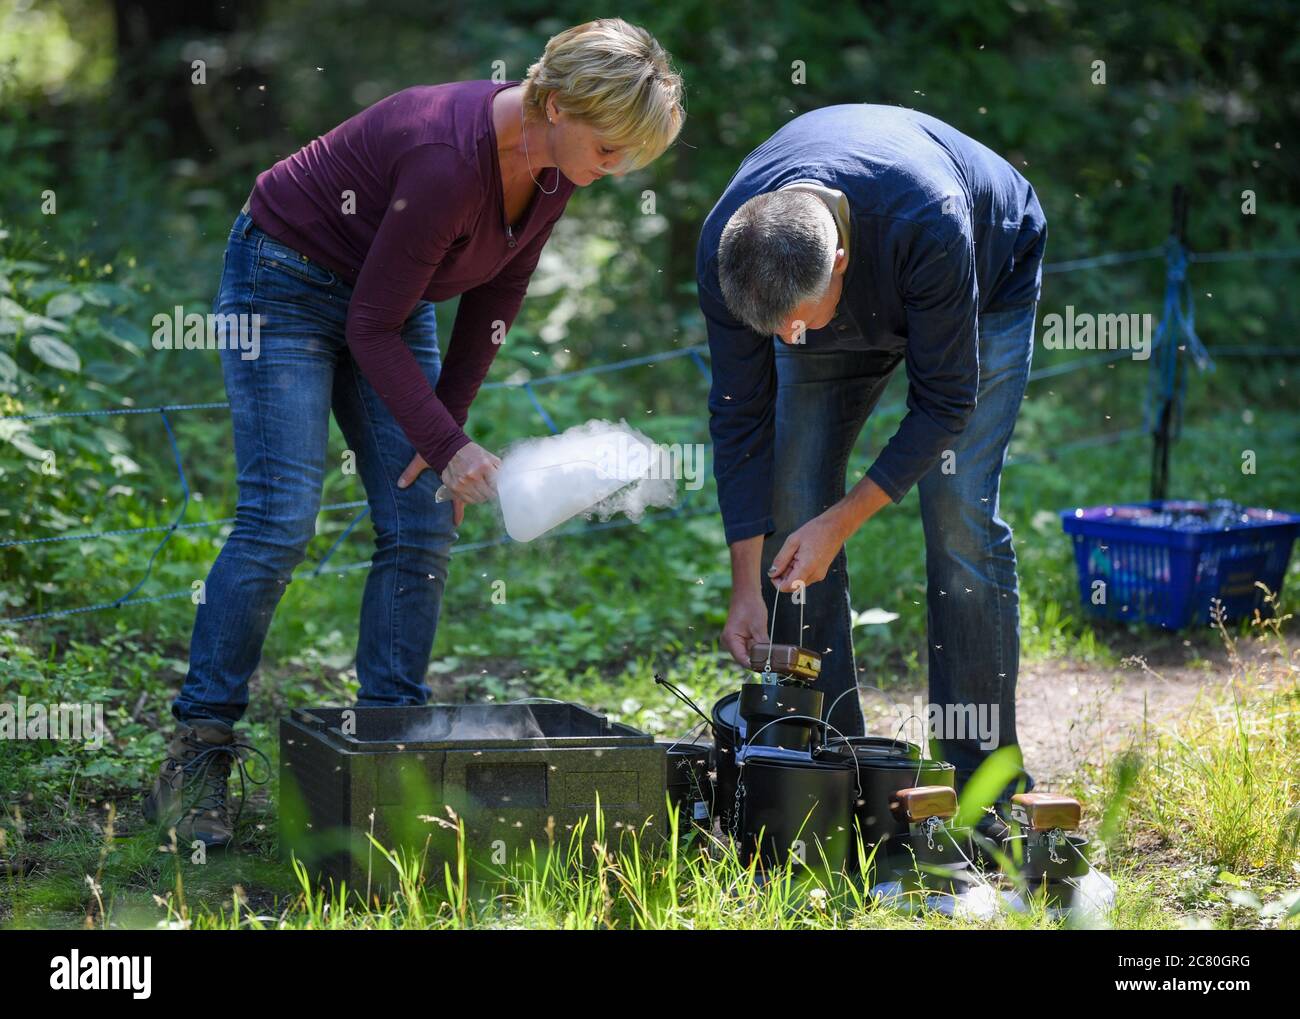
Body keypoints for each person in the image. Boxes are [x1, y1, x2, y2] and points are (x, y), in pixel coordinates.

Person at [144, 19, 684, 848]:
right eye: (609, 148)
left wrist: (448, 436)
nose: (613, 170)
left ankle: (392, 746)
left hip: (392, 304)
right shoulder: (444, 160)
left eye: (627, 156)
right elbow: (369, 328)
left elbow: (495, 301)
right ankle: (198, 749)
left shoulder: (552, 170)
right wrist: (446, 446)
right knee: (280, 520)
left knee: (422, 513)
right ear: (553, 102)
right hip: (285, 281)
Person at [696, 103, 1046, 841]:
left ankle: (982, 781)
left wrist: (842, 520)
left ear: (839, 266)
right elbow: (739, 416)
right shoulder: (733, 247)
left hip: (983, 278)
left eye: (796, 321)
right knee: (795, 500)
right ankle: (838, 771)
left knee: (957, 514)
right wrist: (744, 583)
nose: (787, 340)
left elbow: (947, 398)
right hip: (856, 287)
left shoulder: (929, 218)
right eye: (775, 330)